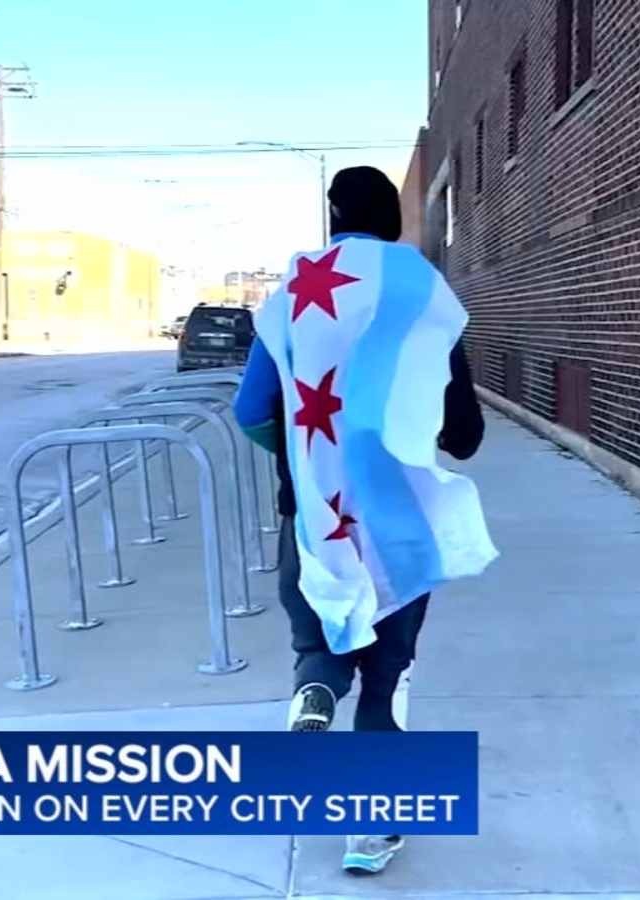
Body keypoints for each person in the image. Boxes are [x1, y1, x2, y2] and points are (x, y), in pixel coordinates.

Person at [232, 165, 491, 876]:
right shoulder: (419, 292)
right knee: (385, 673)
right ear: (393, 221)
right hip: (397, 522)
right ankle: (369, 833)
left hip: (315, 518)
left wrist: (304, 462)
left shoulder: (293, 295)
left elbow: (250, 411)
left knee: (318, 642)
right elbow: (464, 432)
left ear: (334, 215)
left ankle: (315, 690)